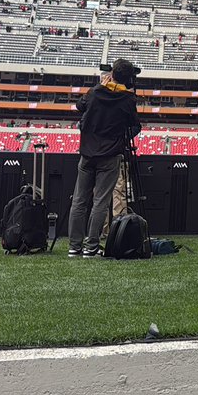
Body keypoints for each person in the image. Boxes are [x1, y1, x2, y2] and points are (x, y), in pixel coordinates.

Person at [67, 58, 142, 258]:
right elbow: (135, 126)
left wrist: (100, 85)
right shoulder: (128, 99)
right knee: (101, 201)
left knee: (79, 201)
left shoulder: (95, 92)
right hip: (110, 155)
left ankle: (74, 246)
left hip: (87, 154)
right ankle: (91, 246)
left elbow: (79, 106)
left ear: (112, 74)